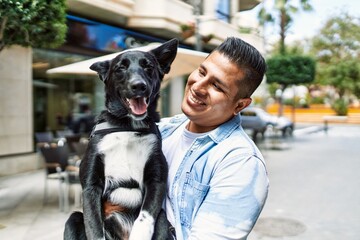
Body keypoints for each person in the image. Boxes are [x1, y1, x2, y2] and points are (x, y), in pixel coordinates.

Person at [158, 37, 269, 239]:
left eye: (217, 86)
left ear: (240, 105)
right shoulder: (163, 129)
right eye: (201, 72)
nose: (198, 87)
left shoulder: (240, 163)